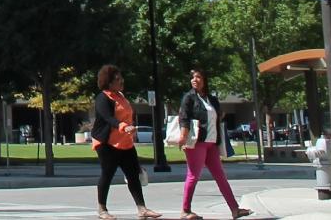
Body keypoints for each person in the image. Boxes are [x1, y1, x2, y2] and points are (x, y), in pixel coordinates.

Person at [91, 65, 161, 220]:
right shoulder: (103, 97)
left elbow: (127, 115)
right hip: (107, 143)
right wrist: (123, 126)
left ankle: (142, 209)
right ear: (109, 83)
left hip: (125, 142)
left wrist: (130, 130)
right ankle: (102, 209)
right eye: (117, 79)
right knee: (107, 174)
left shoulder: (121, 96)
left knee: (133, 175)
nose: (121, 81)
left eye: (121, 77)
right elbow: (108, 118)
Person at [178, 69, 250, 219]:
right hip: (197, 142)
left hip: (212, 143)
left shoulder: (212, 99)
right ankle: (185, 210)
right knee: (193, 176)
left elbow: (217, 117)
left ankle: (235, 209)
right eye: (192, 77)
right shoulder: (189, 98)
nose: (194, 80)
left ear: (204, 80)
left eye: (198, 77)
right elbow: (184, 117)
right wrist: (183, 136)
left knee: (220, 176)